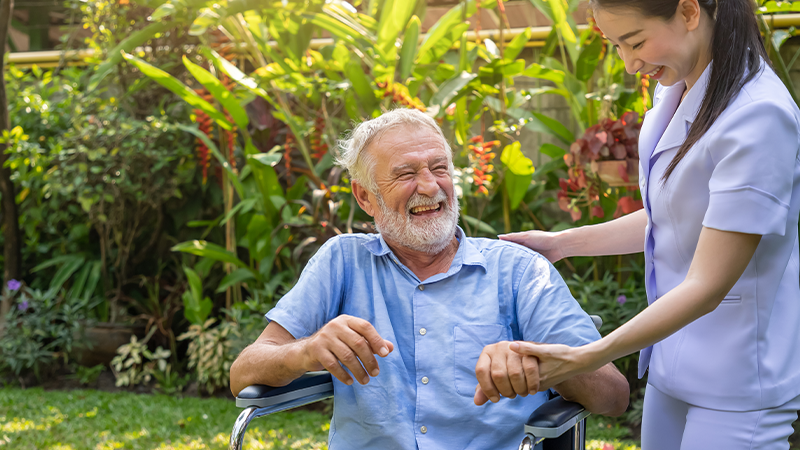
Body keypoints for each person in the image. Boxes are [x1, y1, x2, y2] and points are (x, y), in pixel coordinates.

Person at [229, 108, 629, 449]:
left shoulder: (519, 271)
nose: (429, 185)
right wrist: (307, 351)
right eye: (405, 174)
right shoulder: (341, 261)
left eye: (440, 168)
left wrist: (546, 364)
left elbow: (614, 395)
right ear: (365, 197)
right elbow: (243, 372)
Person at [497, 0, 800, 448]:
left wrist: (586, 358)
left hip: (737, 381)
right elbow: (673, 216)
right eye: (616, 45)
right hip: (673, 365)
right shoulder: (678, 87)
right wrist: (559, 244)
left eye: (635, 41)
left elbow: (707, 285)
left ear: (689, 11)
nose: (628, 62)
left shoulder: (758, 116)